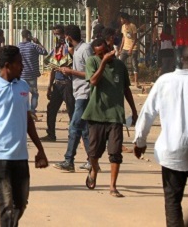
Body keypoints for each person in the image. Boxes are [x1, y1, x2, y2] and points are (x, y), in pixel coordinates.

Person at [134, 45, 188, 227]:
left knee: (172, 201)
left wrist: (140, 141)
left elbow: (147, 113)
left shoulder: (163, 81)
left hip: (171, 152)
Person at [0, 45, 49, 226]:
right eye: (19, 63)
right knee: (6, 205)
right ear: (7, 65)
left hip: (20, 155)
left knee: (21, 203)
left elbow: (28, 120)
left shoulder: (23, 87)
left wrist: (40, 149)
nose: (22, 66)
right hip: (0, 155)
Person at [82, 37, 138, 197]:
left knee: (115, 153)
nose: (105, 55)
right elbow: (93, 81)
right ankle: (94, 168)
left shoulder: (120, 65)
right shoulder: (92, 62)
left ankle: (113, 186)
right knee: (93, 153)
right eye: (101, 54)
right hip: (96, 114)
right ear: (96, 54)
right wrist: (103, 63)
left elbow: (126, 89)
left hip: (115, 115)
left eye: (106, 51)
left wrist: (134, 111)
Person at [53, 25, 93, 172]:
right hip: (78, 92)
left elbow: (91, 73)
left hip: (84, 93)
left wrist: (71, 71)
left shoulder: (85, 49)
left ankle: (69, 160)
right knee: (84, 129)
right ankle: (92, 160)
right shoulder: (76, 50)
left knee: (74, 126)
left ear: (68, 37)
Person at [42, 24, 74, 142]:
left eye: (59, 34)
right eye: (55, 34)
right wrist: (50, 85)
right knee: (51, 109)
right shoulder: (56, 49)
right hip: (58, 83)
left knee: (71, 110)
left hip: (68, 83)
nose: (57, 36)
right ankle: (51, 134)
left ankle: (74, 135)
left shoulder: (70, 48)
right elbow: (53, 68)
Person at [17, 29, 47, 120]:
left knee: (23, 94)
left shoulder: (18, 47)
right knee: (34, 94)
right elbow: (45, 52)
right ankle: (32, 111)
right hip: (32, 74)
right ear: (29, 36)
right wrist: (38, 42)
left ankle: (23, 112)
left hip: (21, 74)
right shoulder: (33, 46)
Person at [118, 13, 140, 88]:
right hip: (125, 47)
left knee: (134, 64)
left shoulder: (132, 26)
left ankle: (136, 81)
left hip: (133, 48)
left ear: (125, 19)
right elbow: (123, 38)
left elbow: (135, 38)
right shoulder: (123, 26)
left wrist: (131, 48)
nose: (120, 20)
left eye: (121, 19)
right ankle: (121, 79)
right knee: (120, 62)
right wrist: (121, 48)